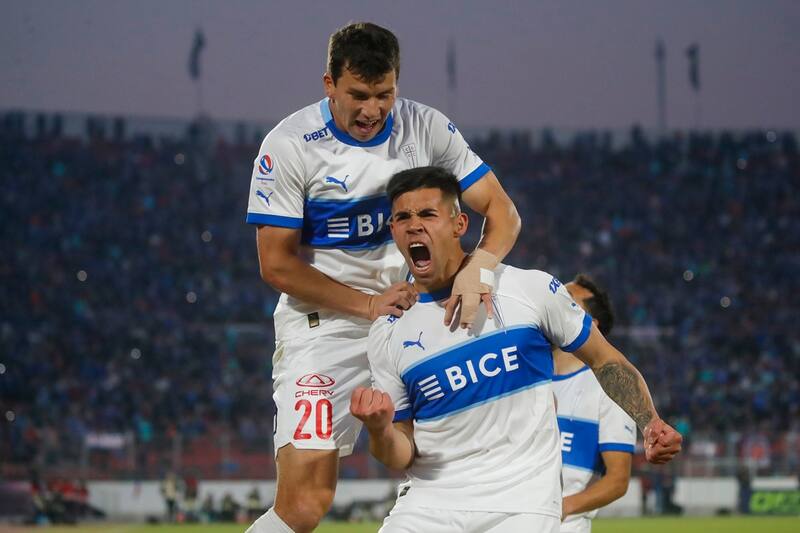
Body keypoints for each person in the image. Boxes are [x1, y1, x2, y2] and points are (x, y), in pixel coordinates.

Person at [244, 23, 520, 533]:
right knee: (304, 504)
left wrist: (477, 270)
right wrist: (368, 305)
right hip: (323, 335)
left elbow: (503, 213)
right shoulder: (289, 145)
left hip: (414, 327)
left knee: (457, 474)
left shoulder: (427, 128)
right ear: (329, 84)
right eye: (358, 95)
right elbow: (276, 264)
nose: (372, 109)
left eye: (384, 94)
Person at [351, 167, 682, 532]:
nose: (414, 225)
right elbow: (401, 452)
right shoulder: (388, 330)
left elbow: (604, 359)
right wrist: (381, 430)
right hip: (429, 505)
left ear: (460, 224)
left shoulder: (529, 289)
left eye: (427, 214)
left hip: (521, 506)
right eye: (402, 217)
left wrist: (649, 421)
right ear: (393, 230)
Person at [552, 274, 634, 532]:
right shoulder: (525, 375)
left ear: (591, 325)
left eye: (568, 301)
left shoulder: (608, 389)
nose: (554, 304)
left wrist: (563, 507)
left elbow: (618, 479)